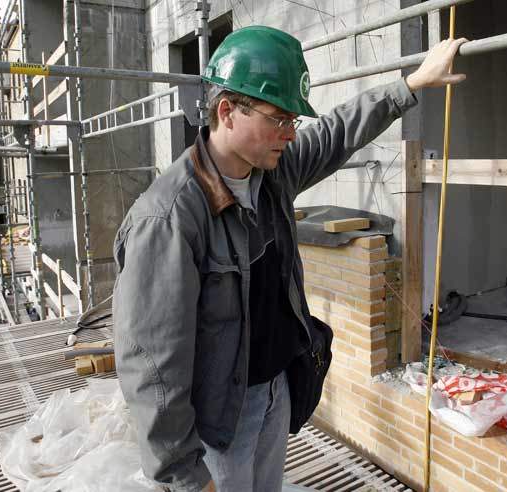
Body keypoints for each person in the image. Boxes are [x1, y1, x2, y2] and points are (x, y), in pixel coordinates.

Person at [113, 25, 467, 492]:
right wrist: (184, 475)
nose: (290, 133)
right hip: (220, 423)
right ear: (227, 111)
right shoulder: (171, 217)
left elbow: (337, 131)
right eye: (280, 118)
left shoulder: (271, 174)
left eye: (293, 121)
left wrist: (411, 84)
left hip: (274, 392)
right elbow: (152, 367)